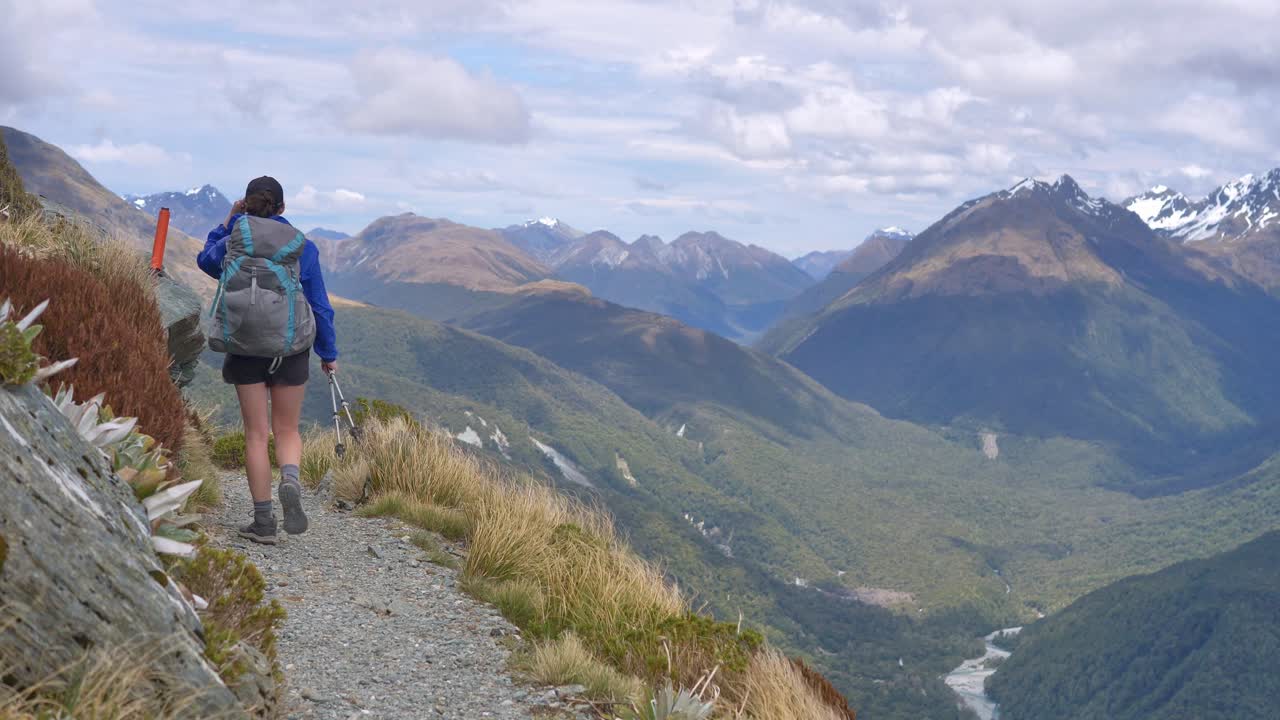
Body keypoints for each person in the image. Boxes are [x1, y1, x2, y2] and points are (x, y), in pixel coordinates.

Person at [197, 176, 338, 545]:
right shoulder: (301, 246)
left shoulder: (235, 240)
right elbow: (319, 303)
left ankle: (263, 523)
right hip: (291, 346)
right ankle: (289, 478)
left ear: (246, 204)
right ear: (282, 208)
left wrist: (227, 222)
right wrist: (329, 352)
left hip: (245, 345)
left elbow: (206, 261)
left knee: (256, 435)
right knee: (287, 430)